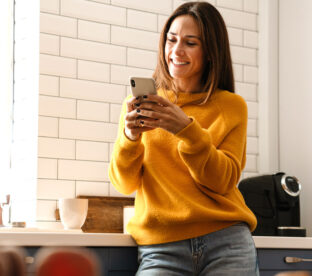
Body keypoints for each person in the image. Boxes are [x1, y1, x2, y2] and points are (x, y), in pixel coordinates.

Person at [108, 2, 259, 275]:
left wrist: (186, 131)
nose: (176, 51)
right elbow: (124, 183)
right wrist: (130, 138)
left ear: (211, 52)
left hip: (227, 241)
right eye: (171, 40)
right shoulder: (139, 104)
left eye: (190, 43)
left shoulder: (232, 106)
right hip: (161, 248)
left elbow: (222, 181)